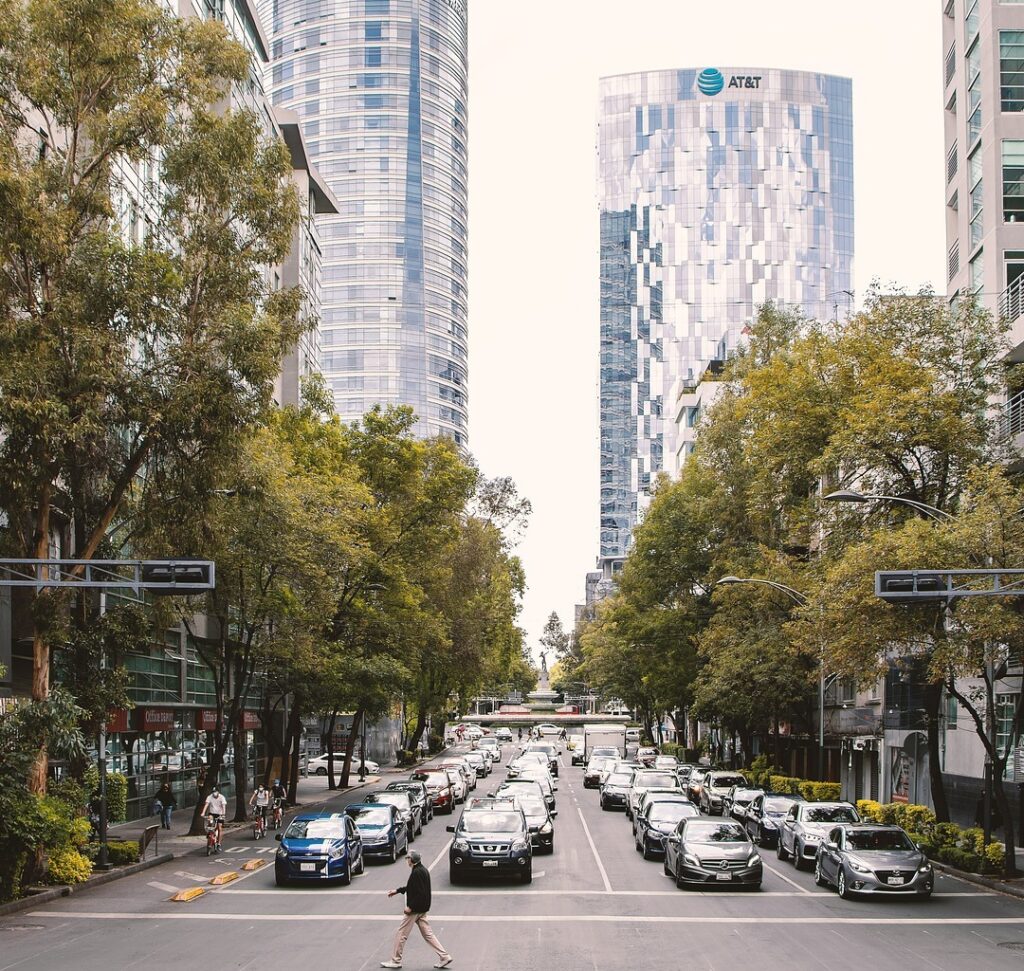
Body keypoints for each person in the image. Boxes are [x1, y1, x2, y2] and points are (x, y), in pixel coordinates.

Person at [381, 850, 452, 970]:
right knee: (428, 935)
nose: (406, 860)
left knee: (401, 933)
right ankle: (444, 956)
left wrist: (410, 907)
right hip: (422, 909)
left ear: (412, 860)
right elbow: (412, 887)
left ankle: (395, 960)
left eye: (408, 858)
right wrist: (397, 891)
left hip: (416, 910)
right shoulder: (422, 870)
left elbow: (420, 893)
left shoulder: (416, 873)